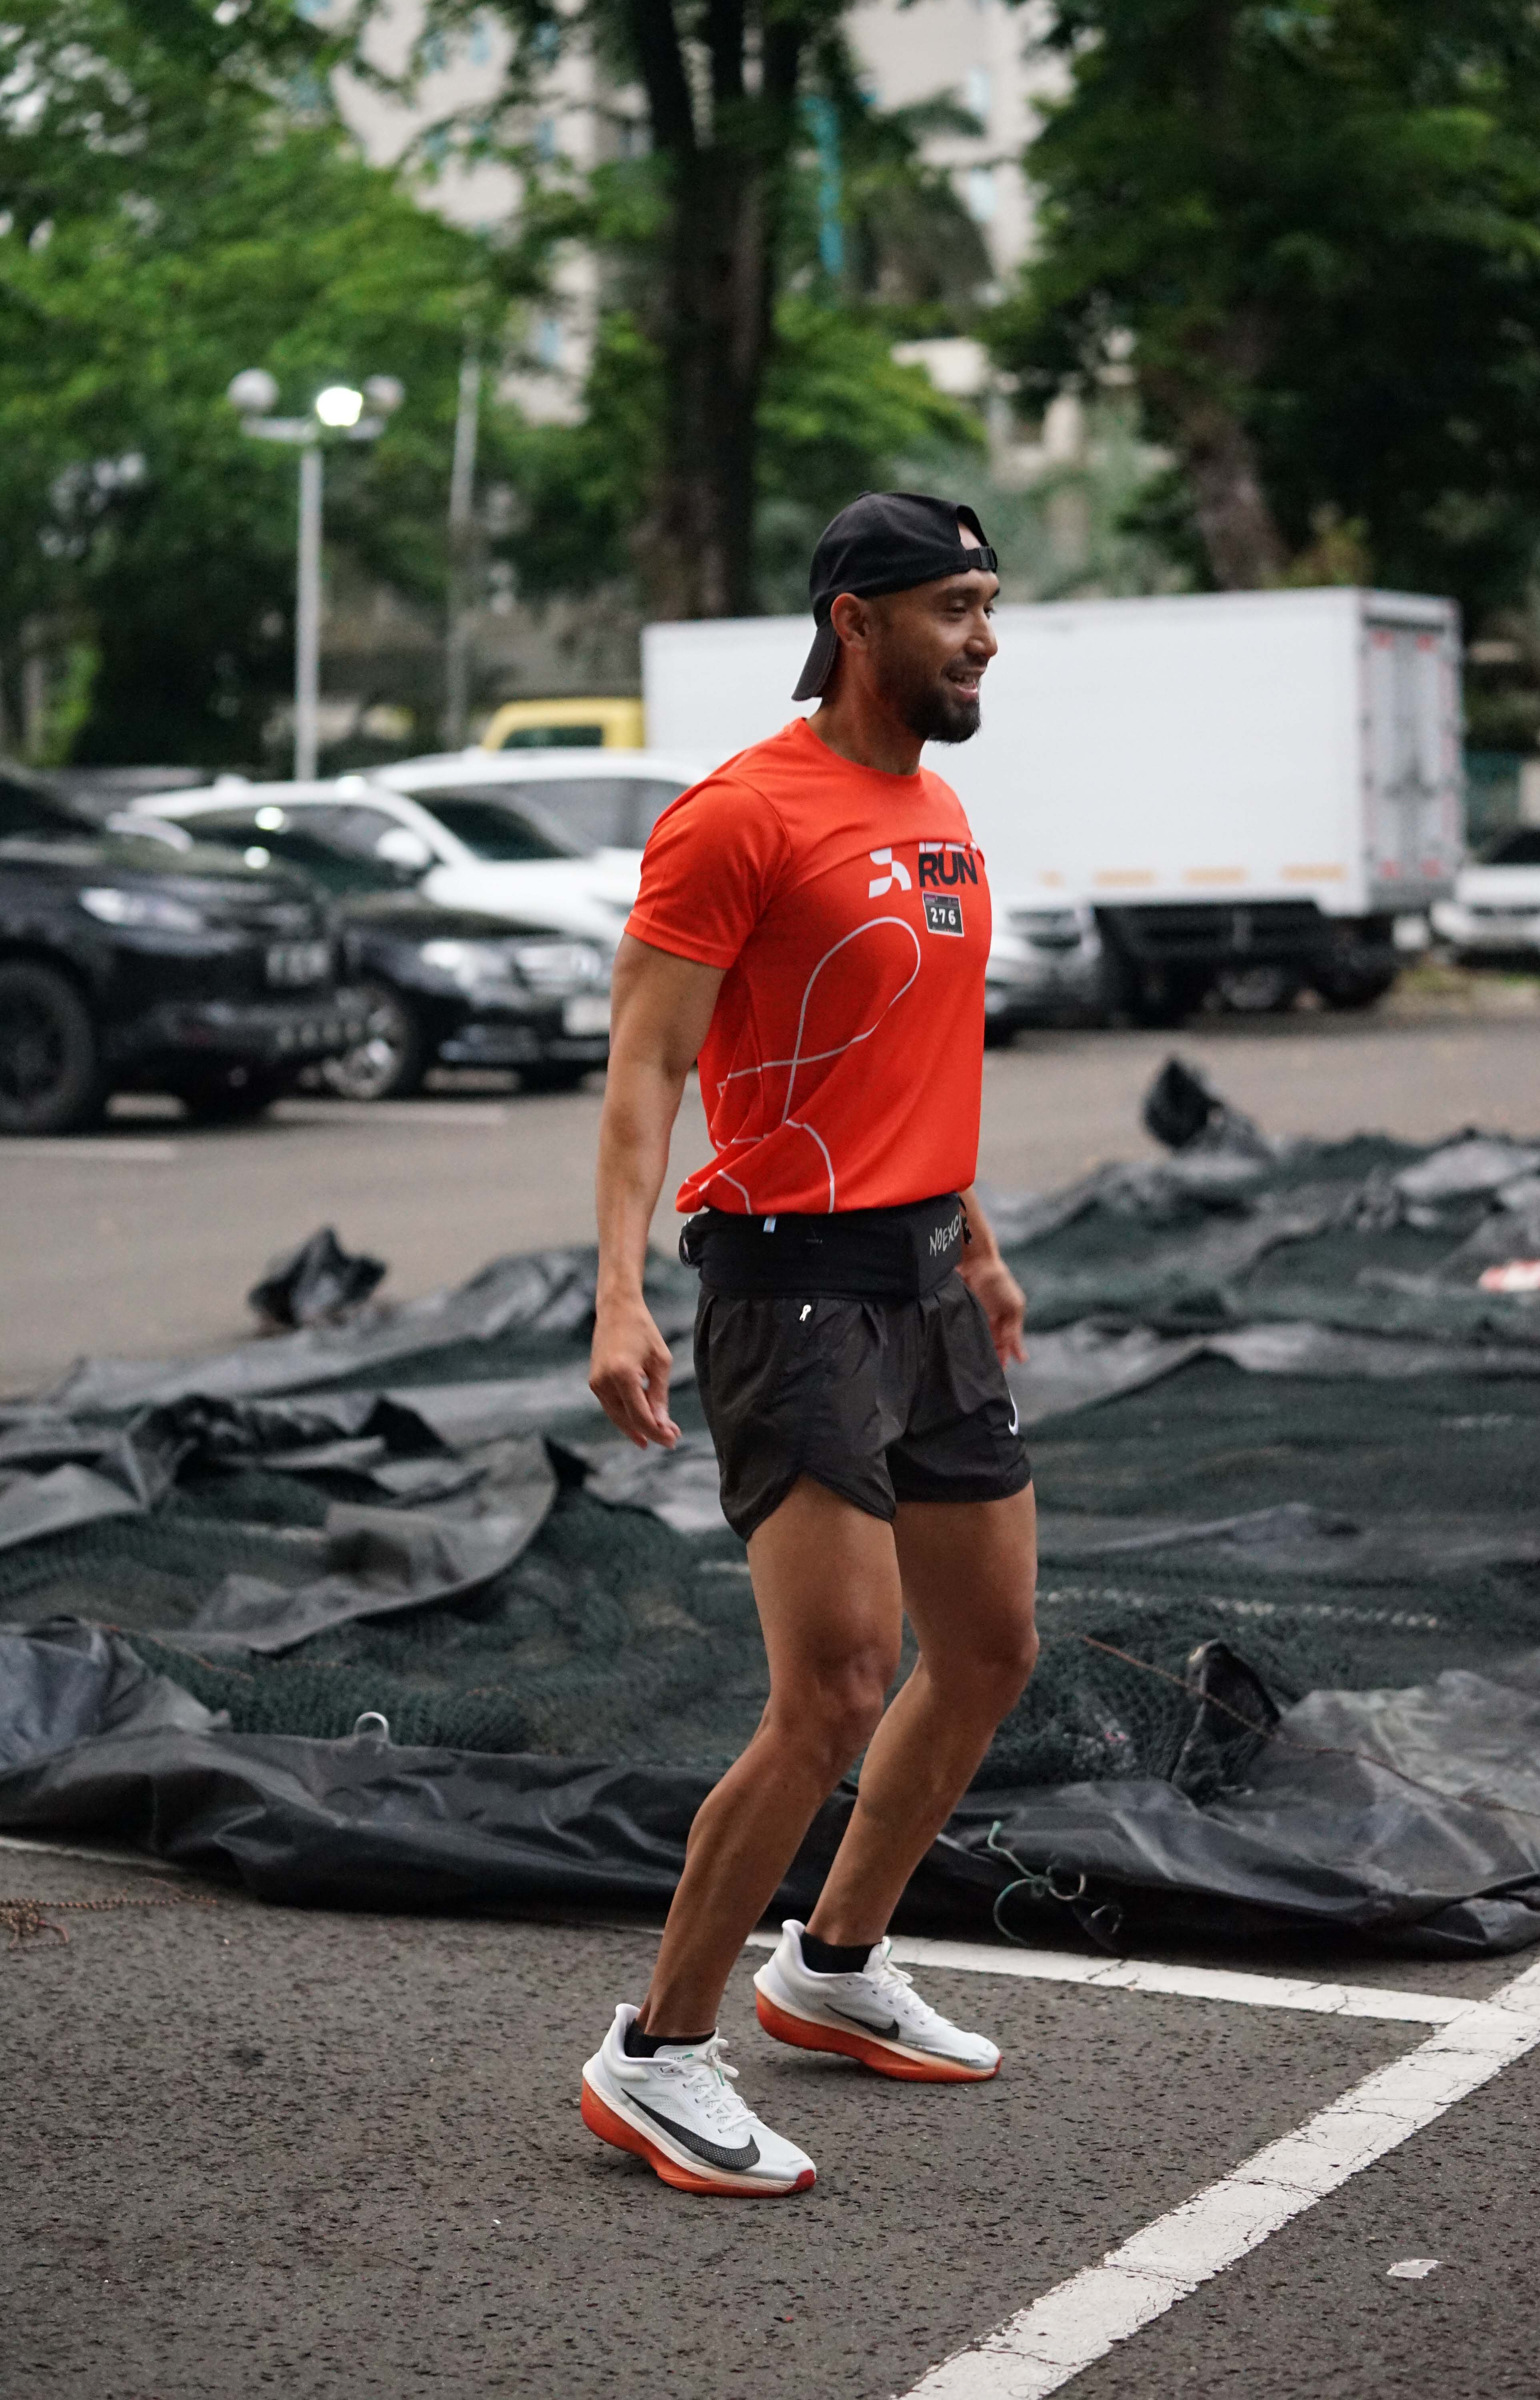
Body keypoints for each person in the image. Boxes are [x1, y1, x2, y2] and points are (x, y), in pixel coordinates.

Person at [581, 492, 1038, 2198]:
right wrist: (617, 1290)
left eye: (988, 605)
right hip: (790, 1288)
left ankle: (832, 1967)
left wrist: (975, 1243)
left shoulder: (942, 810)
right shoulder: (737, 817)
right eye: (953, 607)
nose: (982, 639)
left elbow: (917, 1054)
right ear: (856, 620)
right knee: (835, 1687)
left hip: (926, 1280)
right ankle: (656, 2055)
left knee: (985, 1649)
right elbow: (645, 1064)